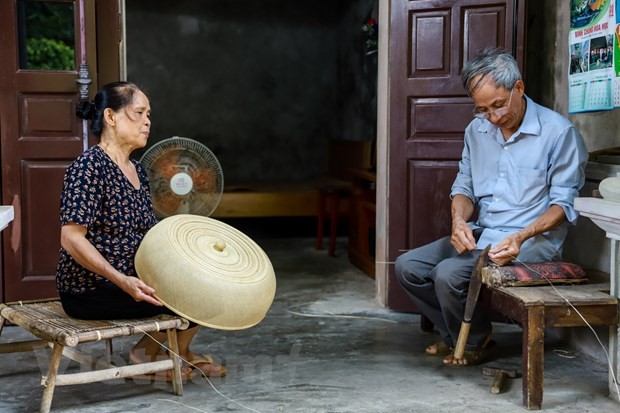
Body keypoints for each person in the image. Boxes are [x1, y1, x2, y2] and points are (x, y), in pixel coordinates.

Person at [394, 47, 588, 366]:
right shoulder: (477, 130)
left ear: (519, 89)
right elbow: (464, 187)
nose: (494, 117)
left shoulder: (558, 133)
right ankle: (463, 334)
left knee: (448, 274)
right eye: (483, 109)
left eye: (498, 105)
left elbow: (563, 205)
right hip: (482, 235)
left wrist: (520, 237)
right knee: (409, 267)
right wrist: (458, 222)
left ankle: (471, 340)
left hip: (530, 243)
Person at [56, 81, 226, 380]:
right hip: (92, 287)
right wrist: (122, 280)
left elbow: (146, 233)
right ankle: (145, 355)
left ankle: (178, 353)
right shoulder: (89, 167)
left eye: (150, 114)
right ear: (111, 117)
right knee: (192, 297)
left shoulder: (137, 171)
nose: (148, 121)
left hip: (136, 276)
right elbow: (70, 239)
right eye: (139, 112)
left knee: (208, 282)